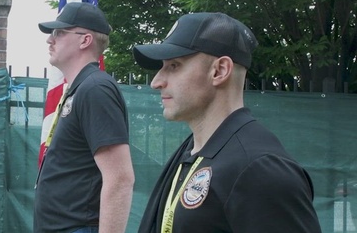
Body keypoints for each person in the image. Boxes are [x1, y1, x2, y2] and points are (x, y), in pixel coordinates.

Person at [133, 12, 322, 233]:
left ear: (220, 71)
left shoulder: (258, 169)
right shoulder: (194, 151)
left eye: (174, 66)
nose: (156, 81)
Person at [34, 1, 135, 233]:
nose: (50, 39)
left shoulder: (95, 89)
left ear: (85, 40)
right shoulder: (81, 88)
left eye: (59, 32)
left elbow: (120, 178)